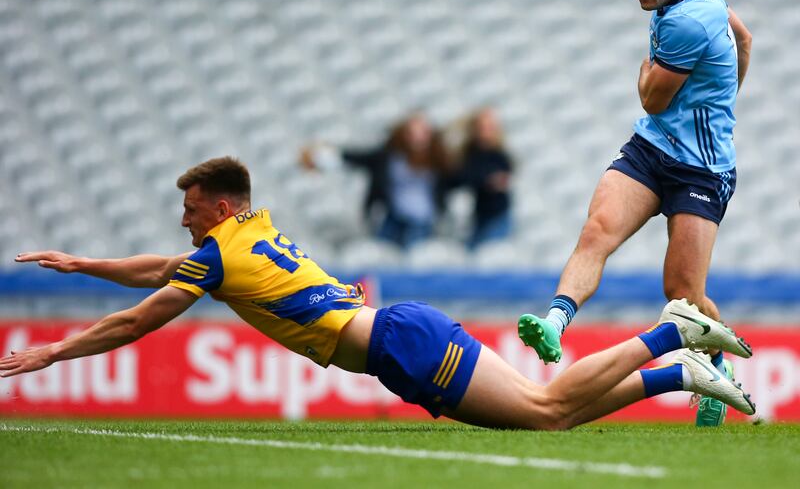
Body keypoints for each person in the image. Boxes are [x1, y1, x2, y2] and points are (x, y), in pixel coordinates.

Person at [3, 156, 756, 430]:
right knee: (550, 411)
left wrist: (59, 350)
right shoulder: (243, 236)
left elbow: (144, 314)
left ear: (221, 208)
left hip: (397, 342)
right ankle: (682, 372)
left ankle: (673, 333)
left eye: (193, 206)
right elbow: (156, 269)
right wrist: (82, 262)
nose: (184, 218)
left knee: (549, 408)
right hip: (402, 328)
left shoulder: (218, 255)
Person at [518, 0, 753, 428]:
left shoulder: (687, 20)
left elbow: (651, 97)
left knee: (683, 292)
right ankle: (554, 323)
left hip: (702, 168)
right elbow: (744, 38)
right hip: (651, 149)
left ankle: (716, 366)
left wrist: (643, 73)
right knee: (597, 231)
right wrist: (724, 99)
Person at [300, 113, 450, 249]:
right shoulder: (389, 157)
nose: (417, 138)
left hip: (422, 219)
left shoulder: (438, 160)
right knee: (379, 252)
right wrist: (322, 155)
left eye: (423, 133)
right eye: (412, 133)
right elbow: (357, 157)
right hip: (393, 216)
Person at [446, 108, 514, 249]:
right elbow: (461, 178)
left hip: (497, 215)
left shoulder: (499, 155)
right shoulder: (470, 153)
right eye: (482, 127)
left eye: (489, 127)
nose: (486, 131)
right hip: (479, 216)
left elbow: (501, 178)